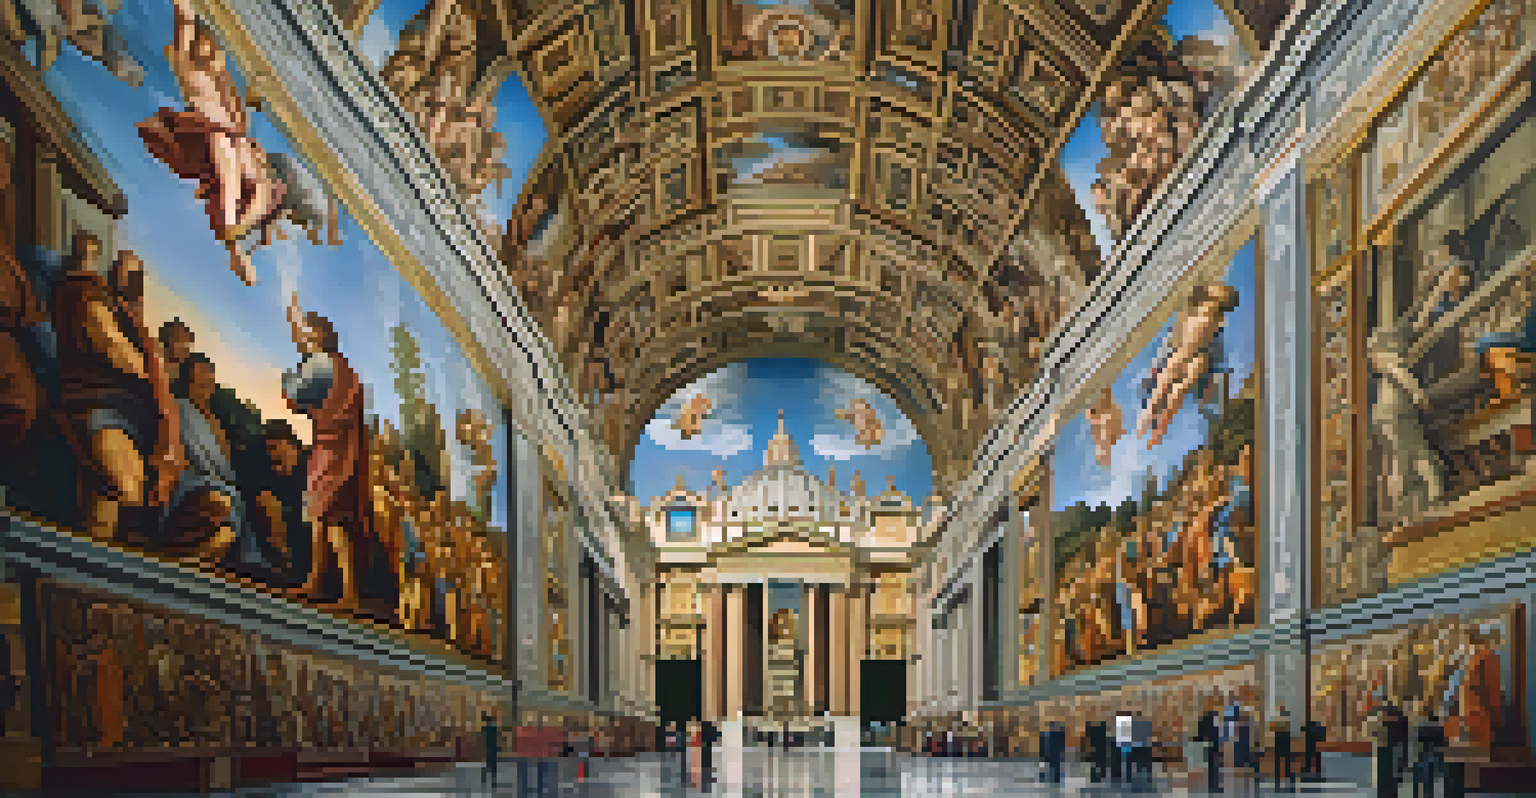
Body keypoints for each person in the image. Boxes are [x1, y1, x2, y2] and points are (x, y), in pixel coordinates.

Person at [137, 0, 287, 285]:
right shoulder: (189, 67)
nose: (209, 53)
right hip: (214, 137)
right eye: (203, 47)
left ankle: (249, 235)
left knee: (264, 187)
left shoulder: (225, 82)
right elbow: (184, 22)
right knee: (228, 165)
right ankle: (235, 247)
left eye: (213, 49)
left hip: (238, 142)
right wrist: (184, 10)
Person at [53, 241, 180, 544]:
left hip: (131, 413)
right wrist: (154, 371)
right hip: (99, 403)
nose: (136, 281)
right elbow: (115, 350)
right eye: (129, 271)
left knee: (126, 495)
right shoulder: (85, 292)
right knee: (126, 487)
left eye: (138, 275)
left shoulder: (126, 313)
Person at [282, 293, 370, 610]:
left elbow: (295, 393)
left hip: (329, 451)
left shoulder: (321, 363)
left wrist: (288, 378)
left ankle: (346, 592)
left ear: (319, 336)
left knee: (328, 519)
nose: (303, 338)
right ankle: (318, 581)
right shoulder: (346, 369)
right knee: (323, 519)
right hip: (342, 450)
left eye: (308, 333)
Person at [1270, 706, 1294, 789]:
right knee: (1286, 761)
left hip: (1280, 740)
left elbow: (1273, 730)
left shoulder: (1277, 721)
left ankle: (1279, 782)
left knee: (1280, 762)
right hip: (1284, 740)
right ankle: (1289, 781)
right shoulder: (1287, 720)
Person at [481, 712, 499, 785]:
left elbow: (483, 738)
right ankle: (493, 780)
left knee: (488, 763)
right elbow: (497, 738)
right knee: (493, 764)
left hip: (488, 747)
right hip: (493, 747)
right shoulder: (494, 728)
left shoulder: (485, 728)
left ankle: (485, 778)